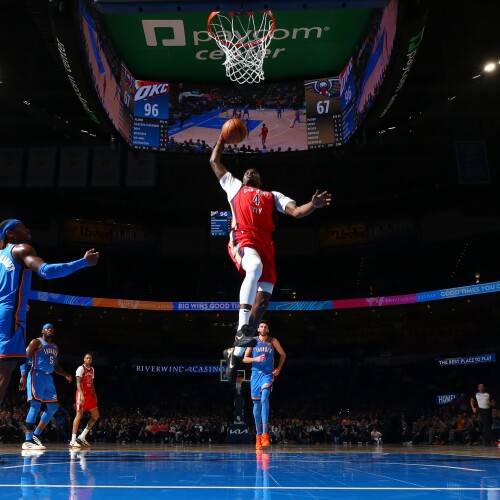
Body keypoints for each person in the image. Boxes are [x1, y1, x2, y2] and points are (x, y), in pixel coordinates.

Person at [209, 138, 331, 385]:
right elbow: (214, 160)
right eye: (246, 171)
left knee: (263, 302)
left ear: (260, 180)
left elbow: (297, 212)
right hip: (242, 238)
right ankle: (242, 330)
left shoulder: (272, 196)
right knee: (253, 267)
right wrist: (222, 138)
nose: (249, 173)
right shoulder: (234, 186)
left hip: (266, 246)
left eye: (254, 172)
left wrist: (314, 205)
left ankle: (236, 354)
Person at [0, 218, 99, 408]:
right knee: (3, 372)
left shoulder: (0, 255)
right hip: (9, 318)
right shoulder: (21, 249)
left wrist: (19, 303)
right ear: (10, 233)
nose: (27, 230)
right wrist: (83, 262)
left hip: (5, 312)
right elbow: (46, 271)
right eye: (22, 227)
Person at [19, 323, 73, 450]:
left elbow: (56, 366)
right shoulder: (36, 342)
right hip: (36, 375)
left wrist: (66, 374)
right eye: (47, 328)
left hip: (48, 378)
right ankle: (28, 440)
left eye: (52, 328)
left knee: (53, 407)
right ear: (42, 331)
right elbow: (24, 358)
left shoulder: (55, 347)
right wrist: (23, 376)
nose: (50, 329)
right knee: (35, 406)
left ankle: (36, 435)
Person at [243, 320, 285, 450]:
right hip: (256, 375)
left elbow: (283, 354)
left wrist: (278, 368)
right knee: (256, 404)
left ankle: (265, 433)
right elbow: (245, 358)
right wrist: (255, 359)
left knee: (264, 398)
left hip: (267, 374)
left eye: (265, 327)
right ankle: (258, 435)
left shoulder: (273, 341)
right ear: (258, 329)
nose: (263, 328)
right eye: (261, 326)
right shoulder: (253, 341)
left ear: (268, 330)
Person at [70, 353, 100, 448]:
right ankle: (73, 440)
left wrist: (94, 395)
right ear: (84, 359)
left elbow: (91, 383)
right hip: (81, 394)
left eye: (90, 358)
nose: (89, 359)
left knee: (96, 415)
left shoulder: (92, 369)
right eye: (87, 358)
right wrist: (81, 395)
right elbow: (78, 383)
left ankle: (82, 436)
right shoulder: (81, 368)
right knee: (78, 415)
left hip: (90, 395)